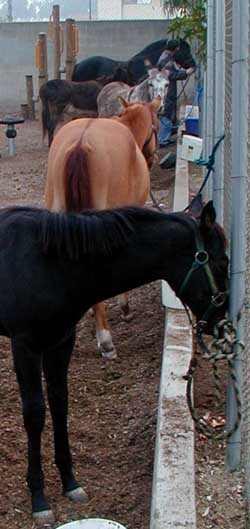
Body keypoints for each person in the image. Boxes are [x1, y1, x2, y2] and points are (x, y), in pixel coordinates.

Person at [157, 40, 195, 148]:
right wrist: (186, 73)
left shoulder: (165, 56)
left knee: (167, 112)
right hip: (167, 89)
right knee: (166, 112)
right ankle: (162, 140)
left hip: (165, 88)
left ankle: (164, 138)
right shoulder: (167, 59)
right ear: (176, 49)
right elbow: (170, 75)